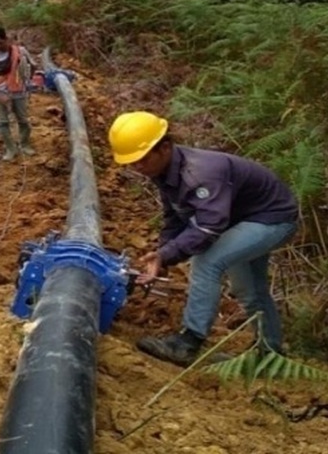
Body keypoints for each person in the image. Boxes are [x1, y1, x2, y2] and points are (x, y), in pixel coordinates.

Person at [108, 110, 300, 366]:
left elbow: (210, 226)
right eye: (132, 162)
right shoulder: (164, 171)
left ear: (164, 147)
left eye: (141, 160)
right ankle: (269, 354)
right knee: (248, 289)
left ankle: (188, 342)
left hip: (272, 218)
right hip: (243, 219)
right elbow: (176, 216)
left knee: (207, 262)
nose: (137, 167)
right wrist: (161, 255)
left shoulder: (199, 173)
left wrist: (168, 254)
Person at [0, 26, 37, 161]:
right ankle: (10, 149)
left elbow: (33, 66)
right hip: (0, 93)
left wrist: (27, 81)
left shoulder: (20, 52)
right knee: (2, 123)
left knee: (23, 120)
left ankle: (24, 145)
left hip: (19, 92)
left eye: (1, 42)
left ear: (7, 39)